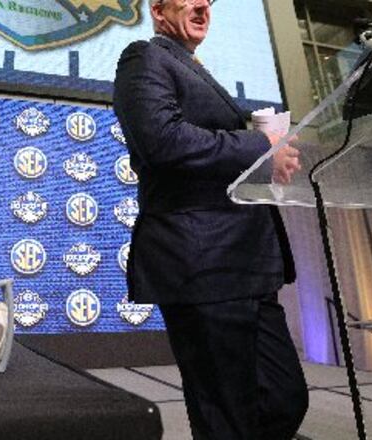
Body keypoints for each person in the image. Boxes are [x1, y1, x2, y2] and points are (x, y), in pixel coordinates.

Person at [113, 1, 308, 439]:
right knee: (226, 416)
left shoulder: (193, 66)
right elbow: (161, 140)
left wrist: (267, 160)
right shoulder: (143, 57)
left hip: (248, 264)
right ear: (158, 10)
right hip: (203, 263)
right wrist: (259, 145)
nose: (203, 4)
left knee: (283, 398)